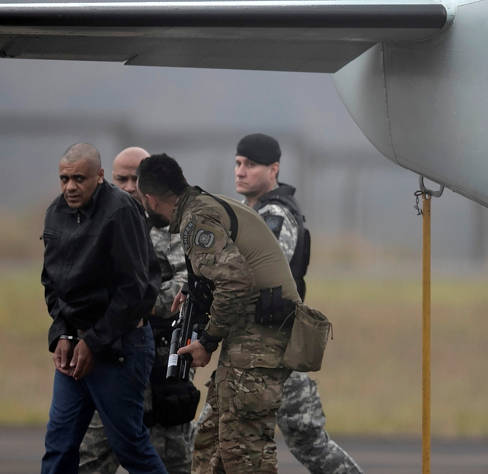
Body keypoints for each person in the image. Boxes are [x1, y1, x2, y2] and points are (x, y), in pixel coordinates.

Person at [137, 153, 300, 473]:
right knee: (210, 442)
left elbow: (236, 281)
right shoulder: (200, 206)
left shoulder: (197, 218)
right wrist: (192, 290)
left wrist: (207, 341)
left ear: (151, 199)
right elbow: (226, 267)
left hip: (261, 337)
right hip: (250, 333)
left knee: (244, 449)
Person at [228, 132, 362, 473]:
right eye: (238, 163)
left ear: (273, 169)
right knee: (221, 436)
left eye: (251, 165)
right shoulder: (248, 212)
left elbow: (255, 270)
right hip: (254, 348)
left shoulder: (276, 216)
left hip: (275, 347)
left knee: (306, 441)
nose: (240, 171)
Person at [41, 143, 167, 473]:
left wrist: (92, 343)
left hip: (121, 348)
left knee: (130, 447)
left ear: (98, 177)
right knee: (59, 446)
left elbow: (134, 292)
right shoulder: (56, 213)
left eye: (79, 178)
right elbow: (52, 282)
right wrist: (64, 334)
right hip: (75, 348)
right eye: (64, 178)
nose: (70, 186)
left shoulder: (121, 211)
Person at [79, 147, 192, 473]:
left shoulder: (170, 227)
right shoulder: (98, 222)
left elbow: (188, 288)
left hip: (160, 364)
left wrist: (132, 302)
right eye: (121, 178)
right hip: (110, 356)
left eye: (136, 179)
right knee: (90, 458)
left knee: (168, 460)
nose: (129, 186)